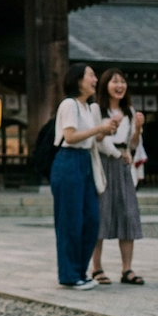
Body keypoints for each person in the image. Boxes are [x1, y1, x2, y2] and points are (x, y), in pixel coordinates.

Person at [52, 63, 119, 290]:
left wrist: (106, 130)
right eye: (91, 75)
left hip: (85, 162)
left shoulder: (89, 108)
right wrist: (99, 129)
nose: (95, 79)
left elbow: (91, 140)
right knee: (70, 221)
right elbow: (69, 137)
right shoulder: (69, 104)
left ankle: (80, 271)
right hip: (68, 161)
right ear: (78, 80)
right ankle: (69, 275)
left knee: (90, 219)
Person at [89, 69, 146, 286]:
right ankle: (97, 267)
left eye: (122, 81)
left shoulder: (129, 111)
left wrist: (138, 129)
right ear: (105, 85)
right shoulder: (97, 109)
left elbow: (132, 145)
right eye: (114, 82)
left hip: (123, 164)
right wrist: (117, 153)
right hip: (104, 162)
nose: (119, 85)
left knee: (128, 212)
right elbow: (98, 138)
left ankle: (127, 269)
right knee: (101, 212)